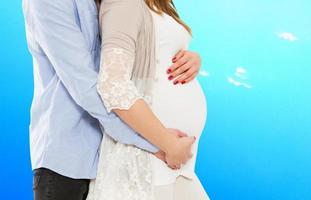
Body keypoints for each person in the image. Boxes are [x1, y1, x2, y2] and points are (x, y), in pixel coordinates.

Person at [22, 0, 203, 199]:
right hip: (69, 160)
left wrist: (183, 59)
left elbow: (132, 52)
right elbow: (88, 86)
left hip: (111, 151)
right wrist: (158, 142)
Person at [86, 0, 210, 199]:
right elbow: (113, 83)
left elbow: (157, 54)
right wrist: (168, 144)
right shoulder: (123, 3)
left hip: (168, 159)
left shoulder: (158, 4)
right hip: (148, 155)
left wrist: (192, 59)